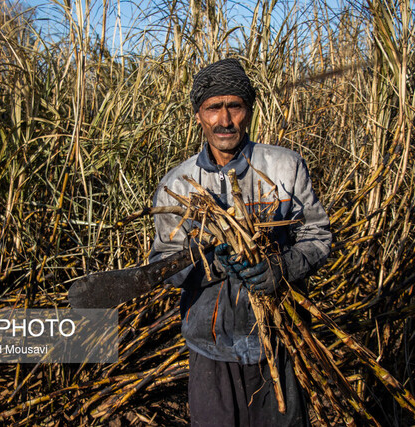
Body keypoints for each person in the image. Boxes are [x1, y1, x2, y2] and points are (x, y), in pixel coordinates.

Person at [149, 58, 332, 426]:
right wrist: (208, 264)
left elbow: (317, 235)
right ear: (199, 115)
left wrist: (281, 267)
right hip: (211, 345)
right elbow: (163, 263)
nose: (225, 120)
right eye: (213, 108)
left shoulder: (284, 167)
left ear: (249, 111)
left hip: (279, 340)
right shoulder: (178, 183)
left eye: (234, 106)